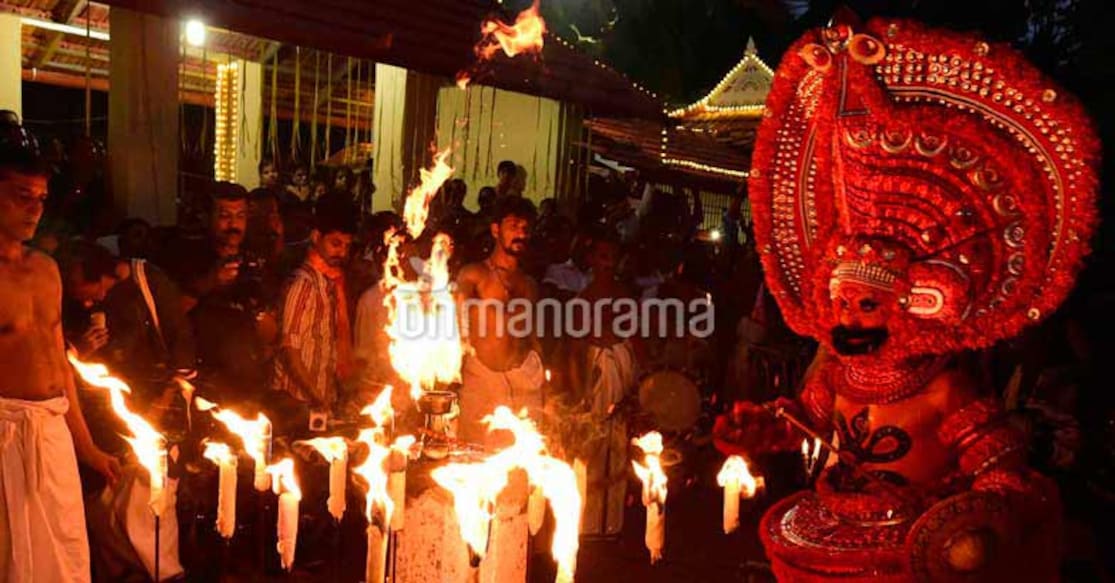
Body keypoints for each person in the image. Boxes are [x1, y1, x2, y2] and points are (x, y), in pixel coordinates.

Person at [0, 114, 119, 582]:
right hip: (6, 435)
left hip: (50, 433)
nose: (33, 209)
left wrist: (87, 447)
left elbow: (59, 364)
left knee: (64, 558)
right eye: (20, 197)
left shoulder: (46, 269)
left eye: (41, 199)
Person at [456, 197, 543, 443]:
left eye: (526, 229)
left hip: (525, 381)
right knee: (476, 463)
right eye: (513, 226)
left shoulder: (529, 284)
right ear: (496, 230)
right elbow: (455, 326)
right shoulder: (474, 275)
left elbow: (532, 337)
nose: (521, 234)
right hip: (482, 383)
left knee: (524, 467)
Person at [272, 203, 357, 431]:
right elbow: (290, 349)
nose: (342, 253)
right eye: (335, 243)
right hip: (297, 402)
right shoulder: (304, 283)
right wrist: (316, 398)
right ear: (316, 237)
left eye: (347, 246)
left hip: (321, 402)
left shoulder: (332, 283)